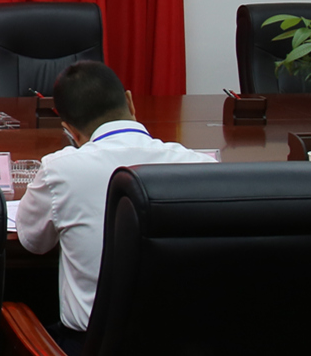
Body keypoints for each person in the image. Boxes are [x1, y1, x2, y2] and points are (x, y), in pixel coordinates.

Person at [14, 61, 212, 353]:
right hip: (188, 343)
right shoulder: (202, 167)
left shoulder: (60, 170)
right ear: (130, 101)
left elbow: (33, 242)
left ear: (70, 130)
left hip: (92, 345)